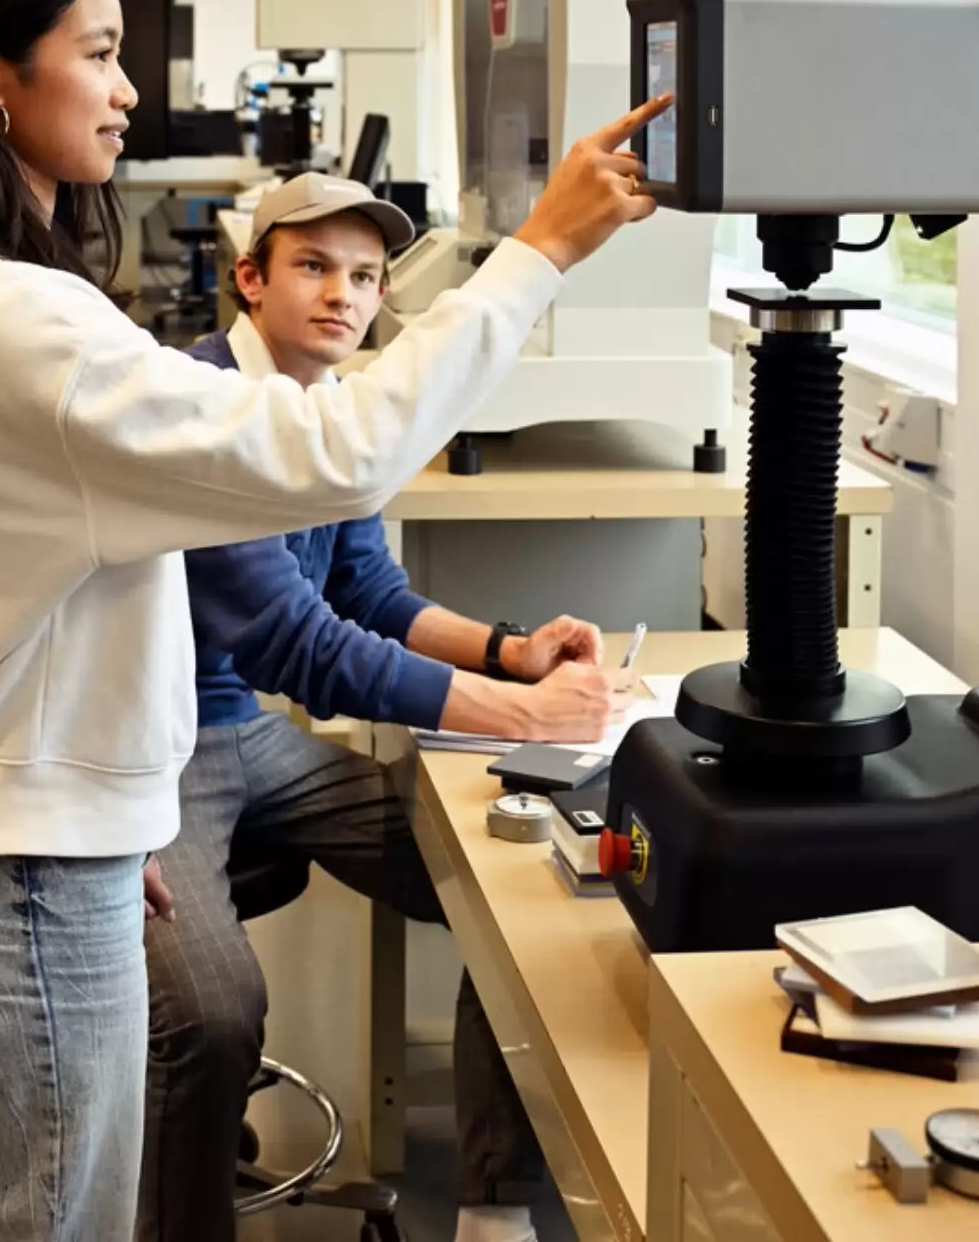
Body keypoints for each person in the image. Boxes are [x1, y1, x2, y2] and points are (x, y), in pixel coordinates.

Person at [0, 0, 667, 1242]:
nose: (127, 91)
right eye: (99, 56)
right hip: (17, 875)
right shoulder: (20, 321)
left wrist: (107, 806)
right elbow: (342, 461)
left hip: (41, 842)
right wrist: (541, 252)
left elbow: (20, 611)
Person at [144, 172, 629, 1242]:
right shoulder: (201, 406)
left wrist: (513, 653)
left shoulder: (334, 408)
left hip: (260, 746)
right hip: (155, 756)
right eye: (313, 267)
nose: (342, 297)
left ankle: (494, 1203)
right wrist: (521, 716)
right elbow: (299, 646)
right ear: (251, 277)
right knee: (214, 1015)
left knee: (510, 893)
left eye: (364, 276)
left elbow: (367, 590)